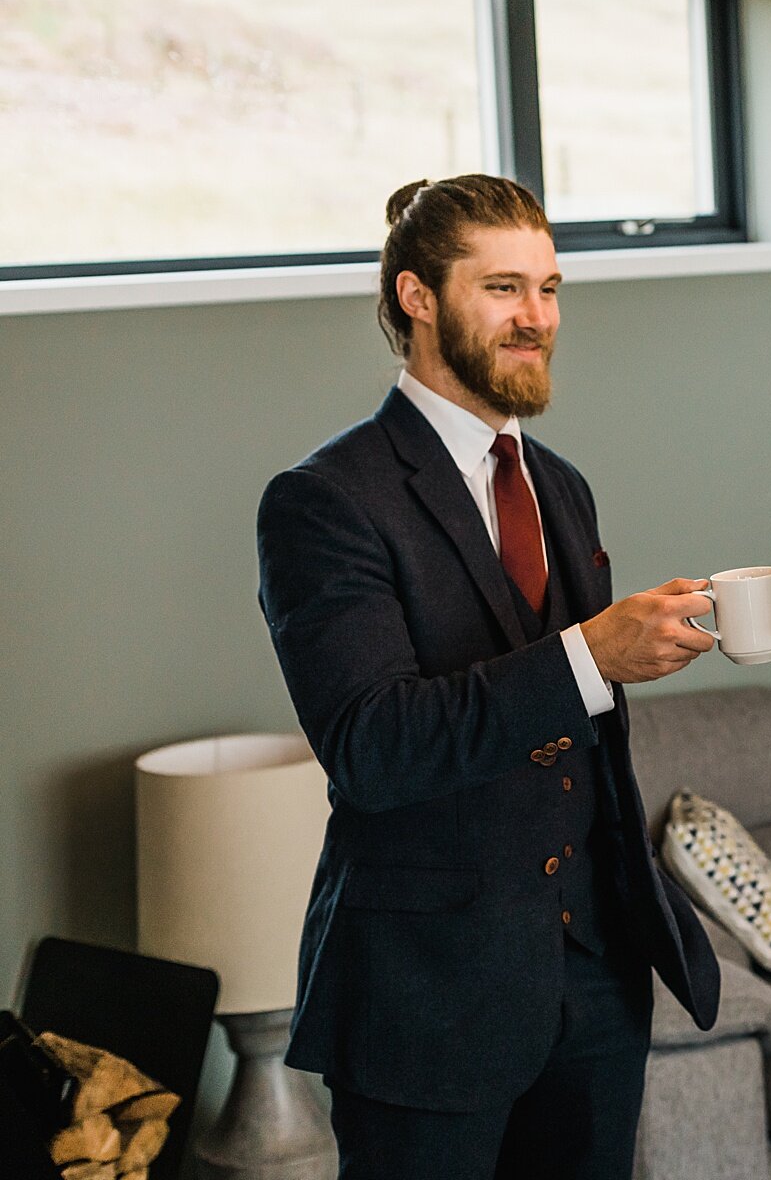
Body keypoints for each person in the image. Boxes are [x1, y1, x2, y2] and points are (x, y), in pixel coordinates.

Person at [255, 174, 721, 1180]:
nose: (538, 319)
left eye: (550, 290)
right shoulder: (325, 501)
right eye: (504, 289)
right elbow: (374, 747)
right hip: (427, 999)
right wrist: (591, 655)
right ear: (419, 298)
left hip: (596, 983)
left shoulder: (561, 485)